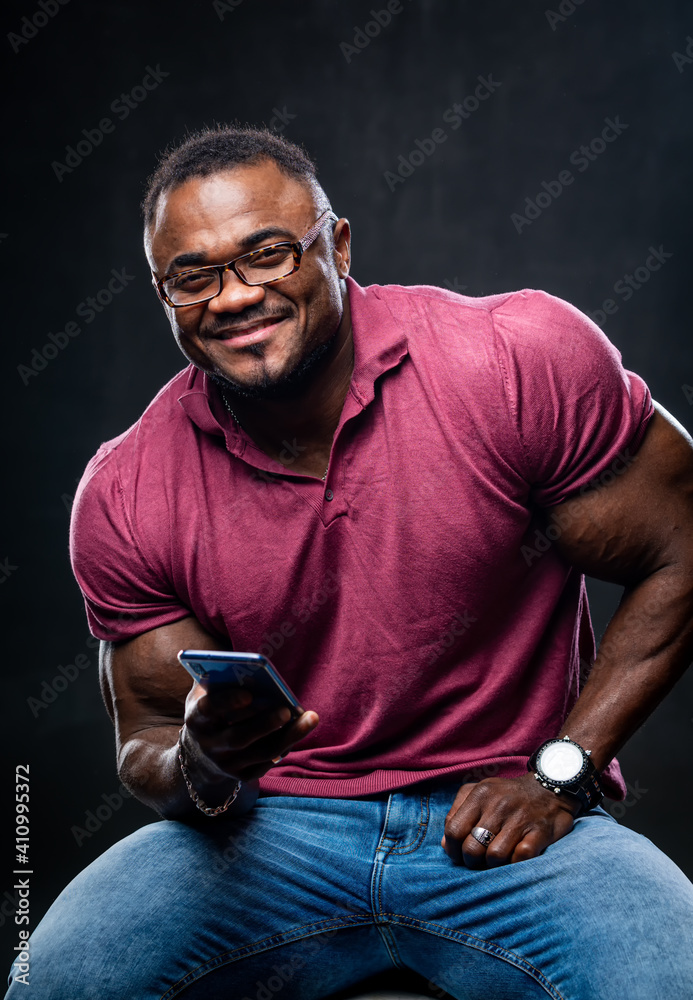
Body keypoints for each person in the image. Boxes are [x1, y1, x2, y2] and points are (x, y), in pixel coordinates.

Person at [6, 125, 693, 1000]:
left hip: (506, 815)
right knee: (55, 981)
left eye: (266, 255)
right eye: (194, 275)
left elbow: (682, 547)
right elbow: (144, 740)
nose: (233, 297)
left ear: (335, 245)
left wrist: (560, 770)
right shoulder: (128, 486)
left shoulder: (513, 359)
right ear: (163, 293)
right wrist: (202, 762)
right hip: (270, 835)